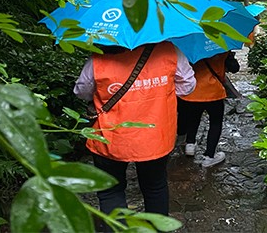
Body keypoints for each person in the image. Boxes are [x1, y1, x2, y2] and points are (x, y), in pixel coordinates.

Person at [73, 41, 196, 218]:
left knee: (111, 191)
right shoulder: (169, 51)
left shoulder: (99, 57)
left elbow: (81, 91)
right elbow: (188, 86)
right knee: (155, 186)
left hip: (110, 136)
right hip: (156, 134)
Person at [177, 50, 240, 167]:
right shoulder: (221, 47)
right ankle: (209, 156)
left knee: (193, 118)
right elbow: (235, 68)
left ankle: (190, 145)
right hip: (214, 92)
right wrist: (229, 56)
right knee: (215, 123)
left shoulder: (189, 47)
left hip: (194, 91)